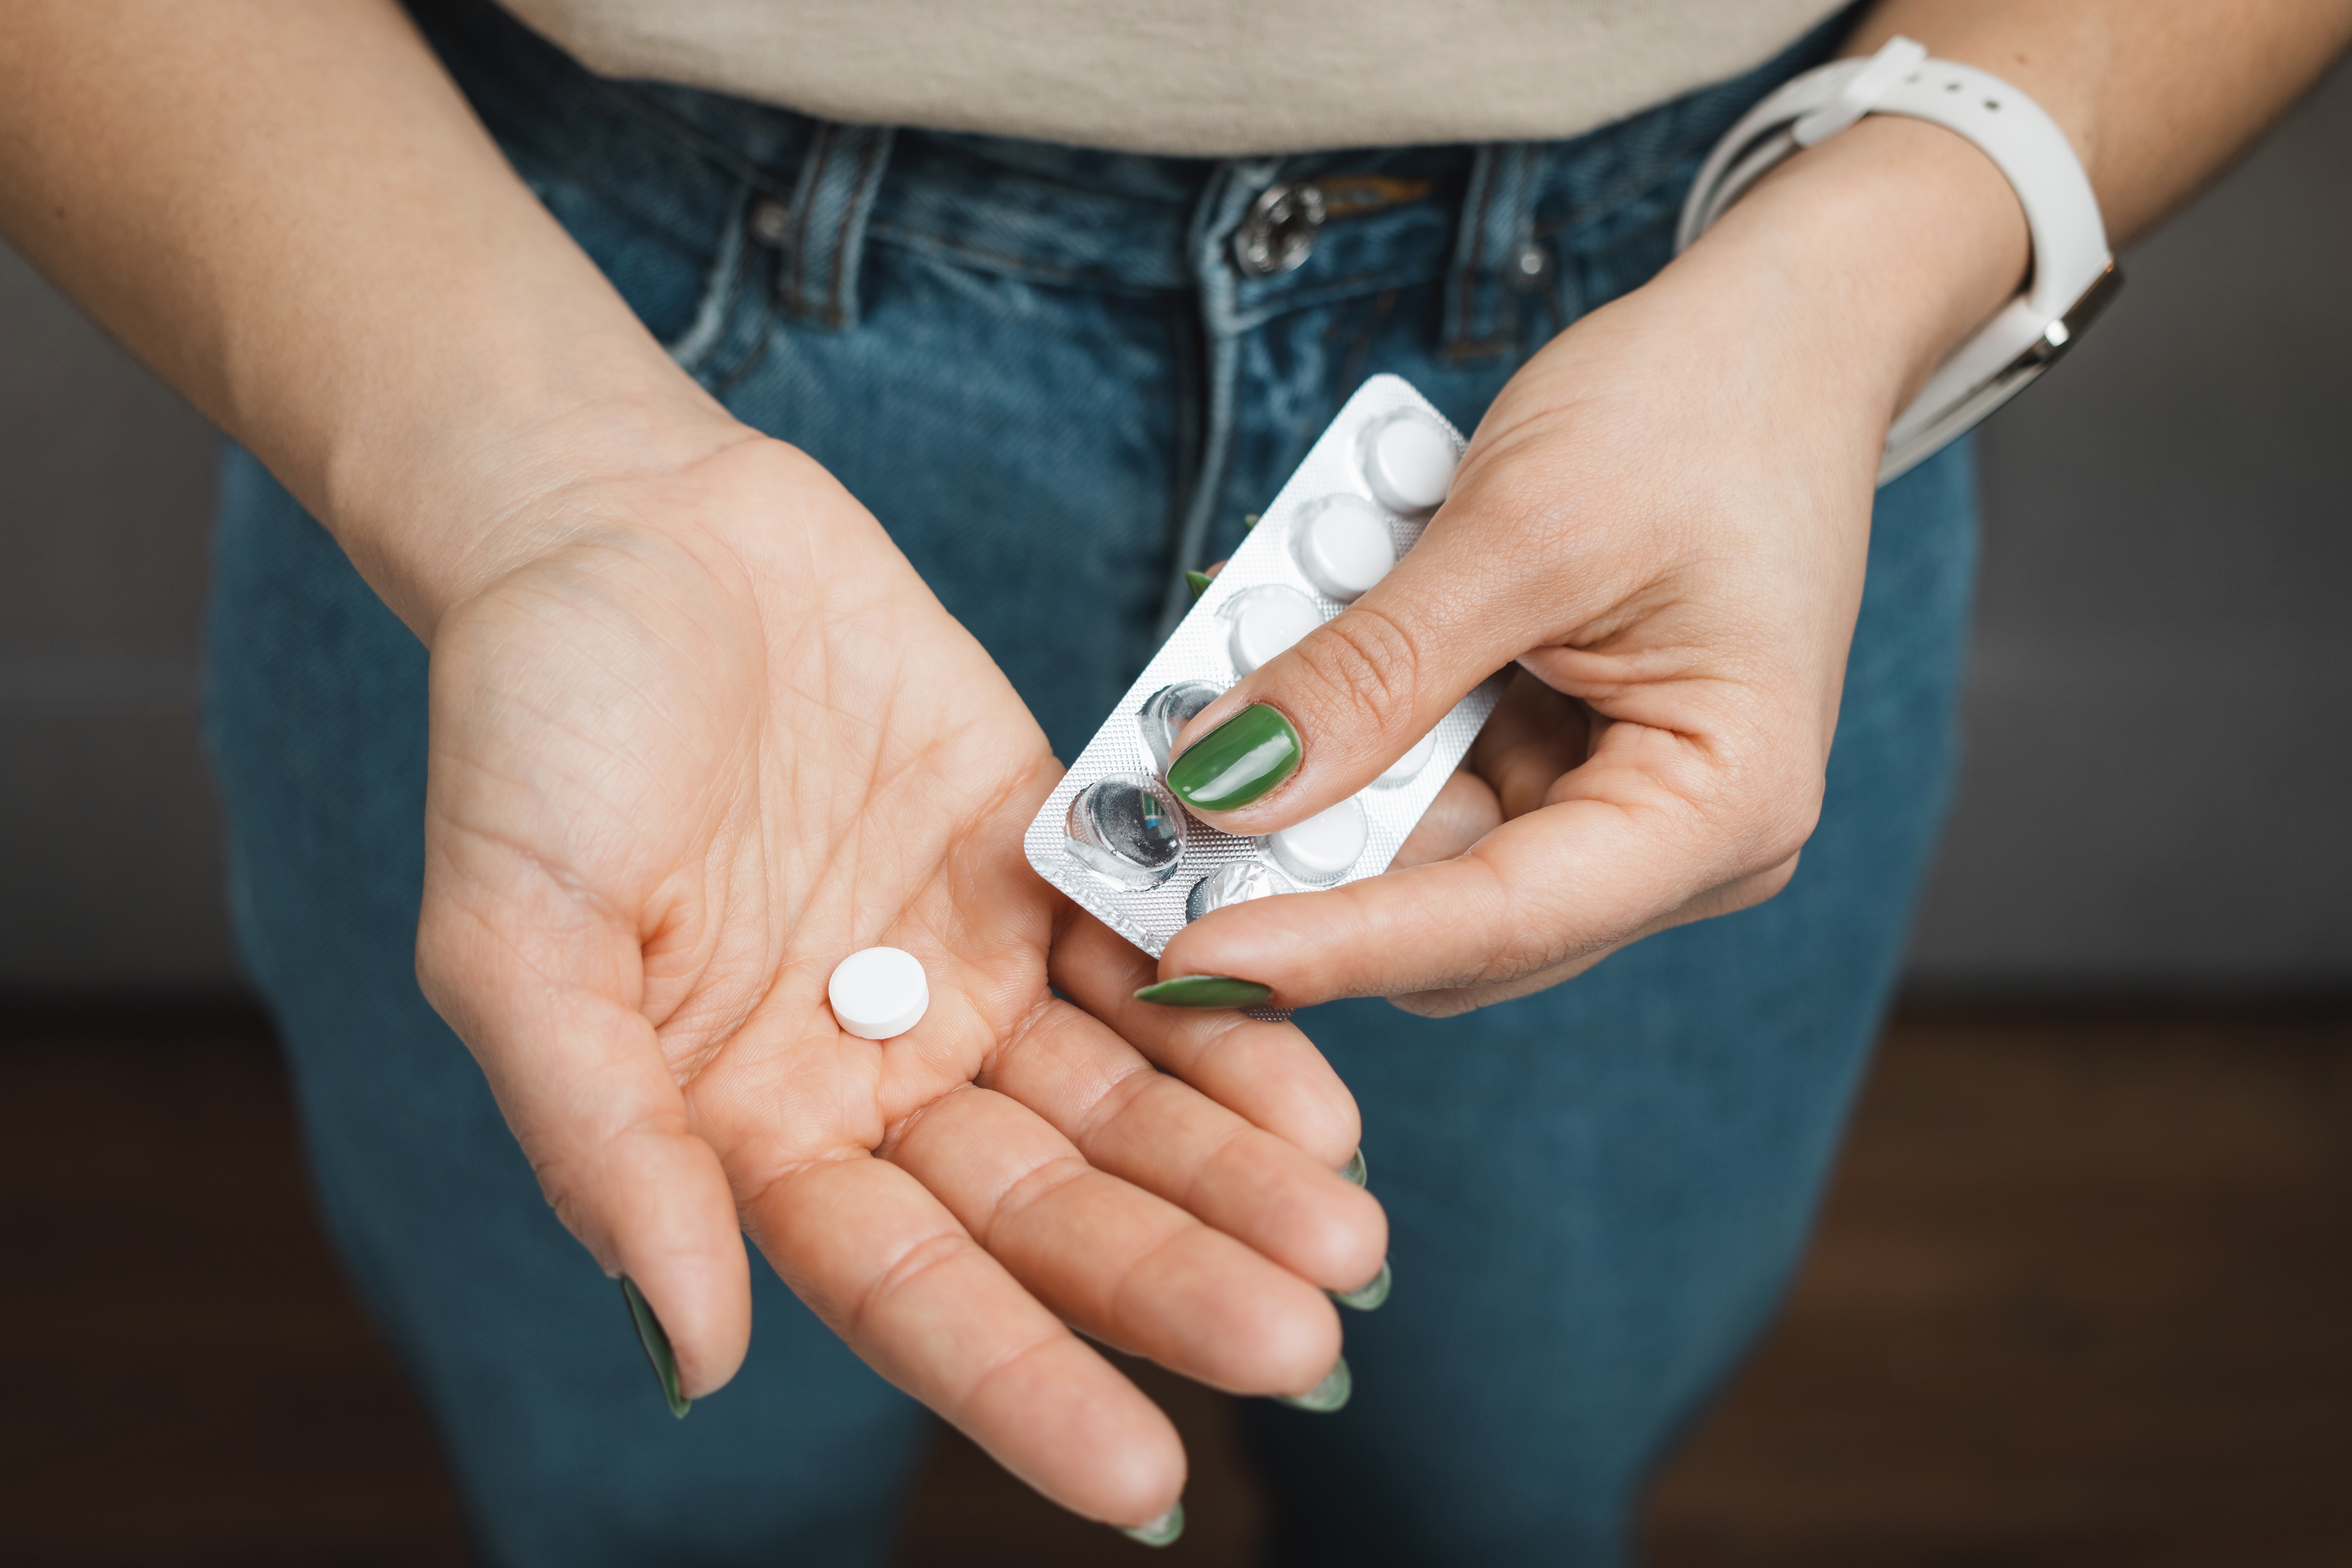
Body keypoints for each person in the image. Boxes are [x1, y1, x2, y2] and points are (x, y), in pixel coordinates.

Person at [4, 1, 2343, 1561]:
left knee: (1515, 1482)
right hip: (512, 312)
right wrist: (545, 491)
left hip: (1694, 367)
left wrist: (1877, 264)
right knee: (643, 1497)